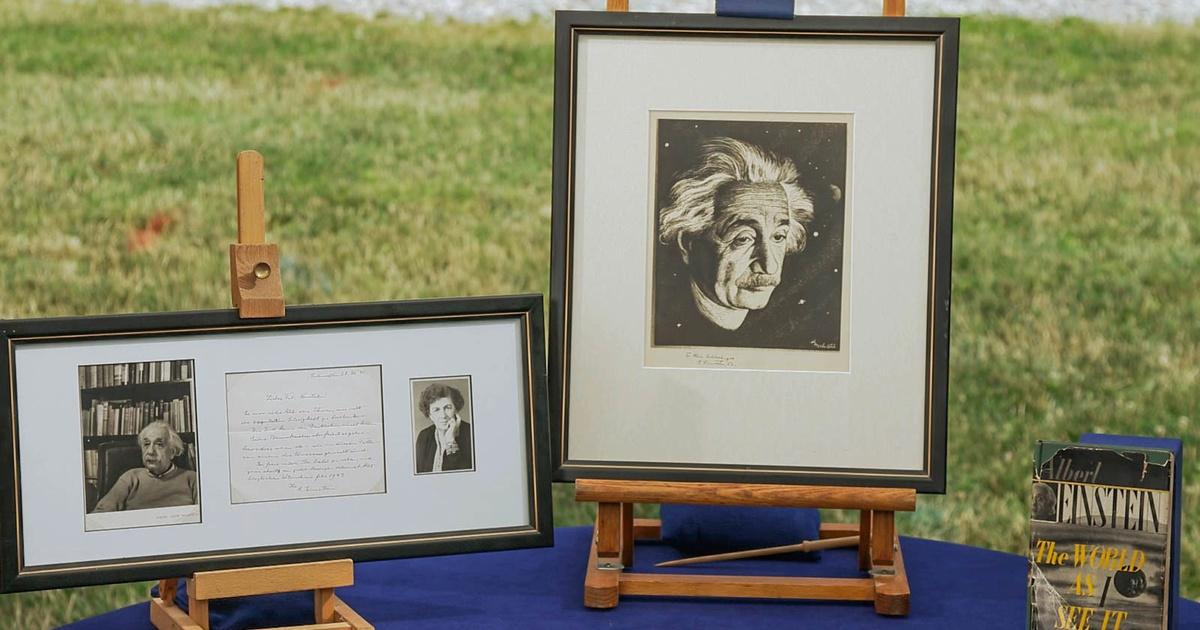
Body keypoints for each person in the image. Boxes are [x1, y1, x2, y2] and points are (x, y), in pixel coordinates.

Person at [654, 137, 817, 347]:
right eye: (743, 239)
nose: (770, 265)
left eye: (778, 237)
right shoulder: (664, 328)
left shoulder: (792, 330)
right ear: (688, 243)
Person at [92, 421, 198, 513]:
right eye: (146, 444)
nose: (151, 451)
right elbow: (100, 514)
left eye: (159, 444)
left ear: (172, 452)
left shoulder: (192, 479)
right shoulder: (131, 477)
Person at [414, 382, 474, 474]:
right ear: (430, 414)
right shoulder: (424, 436)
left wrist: (450, 440)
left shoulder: (471, 433)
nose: (443, 415)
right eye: (436, 410)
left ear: (456, 409)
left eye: (448, 407)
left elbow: (466, 476)